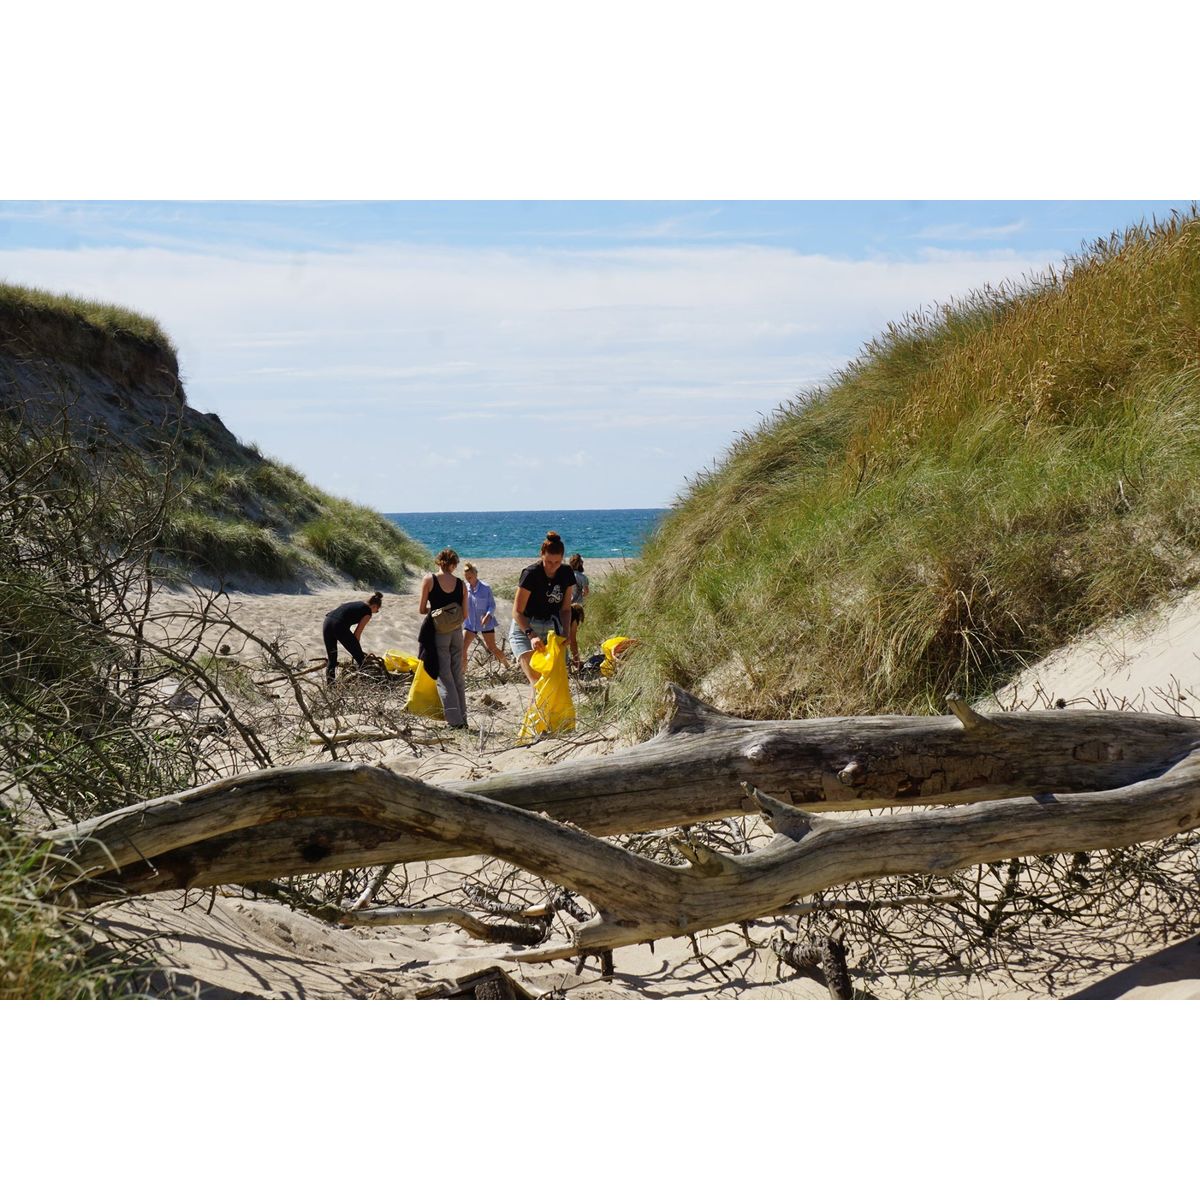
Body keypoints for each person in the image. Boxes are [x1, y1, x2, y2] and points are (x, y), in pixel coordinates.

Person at [510, 530, 576, 701]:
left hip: (552, 628)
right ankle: (538, 722)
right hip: (525, 627)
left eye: (557, 562)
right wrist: (530, 635)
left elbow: (566, 609)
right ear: (541, 555)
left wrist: (566, 633)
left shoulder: (567, 573)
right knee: (536, 679)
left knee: (551, 680)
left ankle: (545, 720)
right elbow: (517, 611)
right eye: (548, 562)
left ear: (562, 558)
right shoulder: (530, 574)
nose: (552, 566)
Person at [418, 547, 468, 728]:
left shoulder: (429, 579)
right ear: (454, 564)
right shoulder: (461, 584)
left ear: (439, 562)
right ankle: (463, 718)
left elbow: (422, 609)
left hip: (439, 632)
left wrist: (438, 612)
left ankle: (455, 722)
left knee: (444, 676)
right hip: (456, 631)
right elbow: (465, 613)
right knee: (457, 675)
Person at [322, 590, 382, 683]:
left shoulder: (358, 604)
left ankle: (330, 687)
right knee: (360, 659)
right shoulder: (367, 612)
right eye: (377, 610)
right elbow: (357, 633)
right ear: (374, 606)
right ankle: (366, 683)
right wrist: (356, 650)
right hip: (338, 625)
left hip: (327, 622)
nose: (376, 612)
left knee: (332, 660)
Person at [462, 561, 509, 667]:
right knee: (462, 648)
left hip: (486, 623)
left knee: (492, 648)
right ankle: (462, 673)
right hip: (470, 623)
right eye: (466, 578)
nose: (468, 580)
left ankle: (506, 665)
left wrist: (488, 615)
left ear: (475, 575)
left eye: (469, 577)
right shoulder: (465, 588)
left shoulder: (485, 588)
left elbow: (492, 605)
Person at [567, 553, 590, 667]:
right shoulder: (582, 577)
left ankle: (567, 660)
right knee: (572, 638)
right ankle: (576, 662)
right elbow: (586, 593)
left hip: (565, 607)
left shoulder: (566, 574)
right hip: (576, 608)